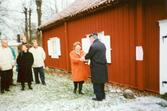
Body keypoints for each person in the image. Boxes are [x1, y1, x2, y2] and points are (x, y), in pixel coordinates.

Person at [82, 33, 108, 101]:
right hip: (103, 66)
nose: (90, 40)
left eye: (90, 39)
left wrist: (83, 57)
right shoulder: (103, 44)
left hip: (96, 67)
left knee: (96, 82)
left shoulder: (93, 46)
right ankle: (103, 96)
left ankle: (98, 97)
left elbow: (89, 55)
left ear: (92, 38)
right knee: (102, 81)